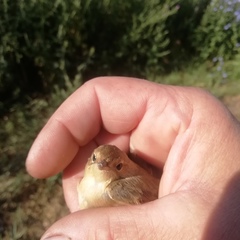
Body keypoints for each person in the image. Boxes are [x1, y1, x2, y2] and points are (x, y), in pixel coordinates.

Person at [26, 77, 240, 239]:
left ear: (123, 167)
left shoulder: (117, 189)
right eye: (94, 159)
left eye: (117, 166)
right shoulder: (83, 184)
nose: (101, 166)